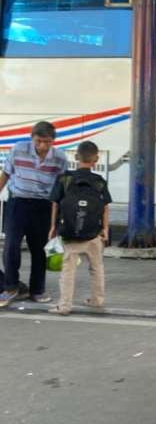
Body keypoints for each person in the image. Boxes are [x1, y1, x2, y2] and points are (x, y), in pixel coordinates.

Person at [0, 121, 66, 307]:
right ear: (32, 138)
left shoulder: (60, 158)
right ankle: (11, 288)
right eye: (38, 141)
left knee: (39, 250)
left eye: (47, 142)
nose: (43, 146)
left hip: (43, 206)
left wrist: (59, 215)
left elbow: (60, 187)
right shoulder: (18, 150)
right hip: (17, 203)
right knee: (11, 246)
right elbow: (5, 174)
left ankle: (37, 290)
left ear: (53, 141)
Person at [47, 141, 111, 315]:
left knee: (68, 269)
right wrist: (105, 229)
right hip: (93, 235)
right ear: (96, 159)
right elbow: (105, 207)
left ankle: (65, 305)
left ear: (76, 157)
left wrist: (52, 227)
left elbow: (55, 204)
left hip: (69, 233)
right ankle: (97, 300)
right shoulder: (99, 182)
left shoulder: (64, 179)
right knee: (97, 267)